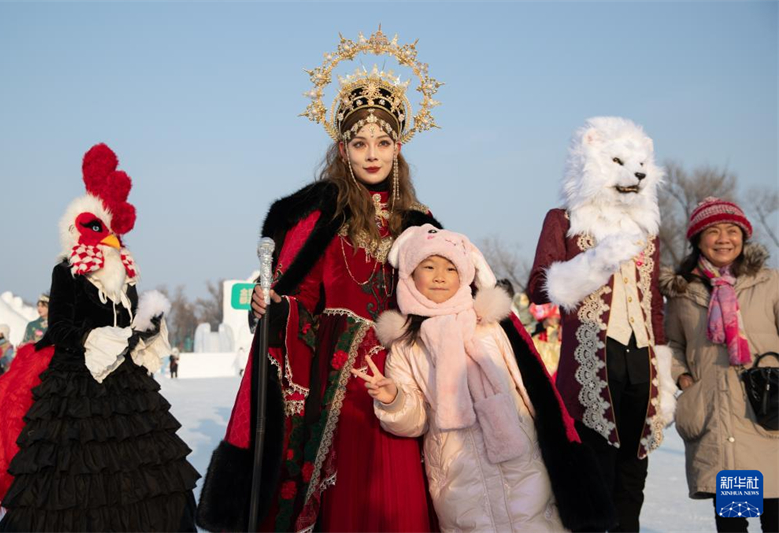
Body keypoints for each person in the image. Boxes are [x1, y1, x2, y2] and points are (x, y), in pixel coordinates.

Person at [197, 28, 442, 533]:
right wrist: (275, 306)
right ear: (343, 147)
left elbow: (445, 292)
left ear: (398, 147)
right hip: (337, 384)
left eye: (382, 141)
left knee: (405, 495)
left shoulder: (420, 221)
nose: (371, 153)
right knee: (348, 496)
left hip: (403, 375)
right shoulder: (322, 215)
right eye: (359, 142)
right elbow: (300, 292)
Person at [0, 143, 199, 532]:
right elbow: (60, 328)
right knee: (68, 486)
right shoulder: (67, 271)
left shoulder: (125, 276)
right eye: (102, 228)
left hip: (126, 389)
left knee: (149, 476)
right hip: (75, 389)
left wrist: (146, 328)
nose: (112, 239)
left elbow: (128, 326)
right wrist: (94, 339)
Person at [356, 225, 615, 532]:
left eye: (451, 268)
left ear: (465, 275)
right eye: (429, 266)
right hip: (457, 469)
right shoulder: (407, 344)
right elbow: (416, 420)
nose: (440, 276)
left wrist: (554, 437)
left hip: (521, 458)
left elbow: (527, 386)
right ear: (410, 275)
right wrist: (394, 399)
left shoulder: (490, 326)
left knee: (534, 522)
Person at [527, 117, 677, 532]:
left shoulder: (648, 234)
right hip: (590, 365)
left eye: (641, 164)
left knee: (633, 478)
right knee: (595, 475)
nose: (636, 174)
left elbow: (655, 309)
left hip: (641, 363)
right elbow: (539, 288)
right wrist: (593, 263)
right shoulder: (564, 220)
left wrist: (663, 375)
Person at [660, 197, 779, 532]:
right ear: (698, 240)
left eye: (732, 230)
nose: (724, 239)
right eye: (713, 231)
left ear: (744, 237)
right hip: (721, 422)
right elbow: (673, 344)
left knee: (775, 516)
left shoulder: (769, 282)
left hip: (768, 416)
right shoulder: (683, 293)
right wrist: (683, 377)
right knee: (733, 524)